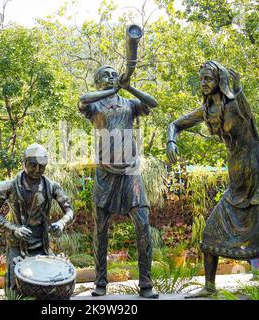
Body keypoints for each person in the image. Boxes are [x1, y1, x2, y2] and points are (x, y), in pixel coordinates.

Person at [166, 60, 259, 297]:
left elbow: (247, 112)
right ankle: (209, 286)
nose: (203, 83)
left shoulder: (235, 103)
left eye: (208, 78)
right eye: (201, 79)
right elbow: (175, 124)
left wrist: (238, 88)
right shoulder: (208, 109)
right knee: (211, 230)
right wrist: (171, 139)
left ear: (220, 80)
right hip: (237, 175)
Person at [79, 65, 159, 299]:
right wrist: (110, 90)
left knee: (143, 223)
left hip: (130, 172)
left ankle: (146, 284)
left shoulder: (129, 104)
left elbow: (152, 103)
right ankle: (100, 282)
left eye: (114, 74)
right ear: (97, 82)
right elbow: (83, 99)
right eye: (105, 75)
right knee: (101, 229)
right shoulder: (94, 105)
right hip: (104, 173)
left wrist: (129, 87)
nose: (112, 77)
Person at [0, 143, 74, 293]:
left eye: (42, 166)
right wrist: (14, 229)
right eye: (33, 165)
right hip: (18, 247)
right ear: (24, 163)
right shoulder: (9, 187)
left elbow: (70, 211)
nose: (37, 170)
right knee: (16, 289)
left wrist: (61, 223)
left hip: (43, 246)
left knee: (50, 287)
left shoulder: (52, 186)